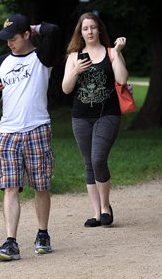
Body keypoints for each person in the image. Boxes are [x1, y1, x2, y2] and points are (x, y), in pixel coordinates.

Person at [0, 13, 61, 261]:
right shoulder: (1, 62)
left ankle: (43, 234)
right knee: (9, 187)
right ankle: (11, 242)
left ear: (27, 35)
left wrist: (34, 26)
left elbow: (54, 30)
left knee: (41, 186)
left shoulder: (42, 57)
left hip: (37, 128)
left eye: (14, 37)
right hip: (8, 131)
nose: (9, 42)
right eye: (6, 38)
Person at [61, 12, 128, 227]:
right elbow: (65, 88)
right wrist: (76, 71)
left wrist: (117, 52)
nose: (89, 32)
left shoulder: (111, 53)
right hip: (80, 117)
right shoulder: (74, 56)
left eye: (93, 27)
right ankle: (97, 213)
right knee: (89, 163)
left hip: (107, 115)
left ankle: (106, 206)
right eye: (85, 28)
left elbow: (122, 79)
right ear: (80, 32)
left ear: (99, 29)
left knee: (98, 159)